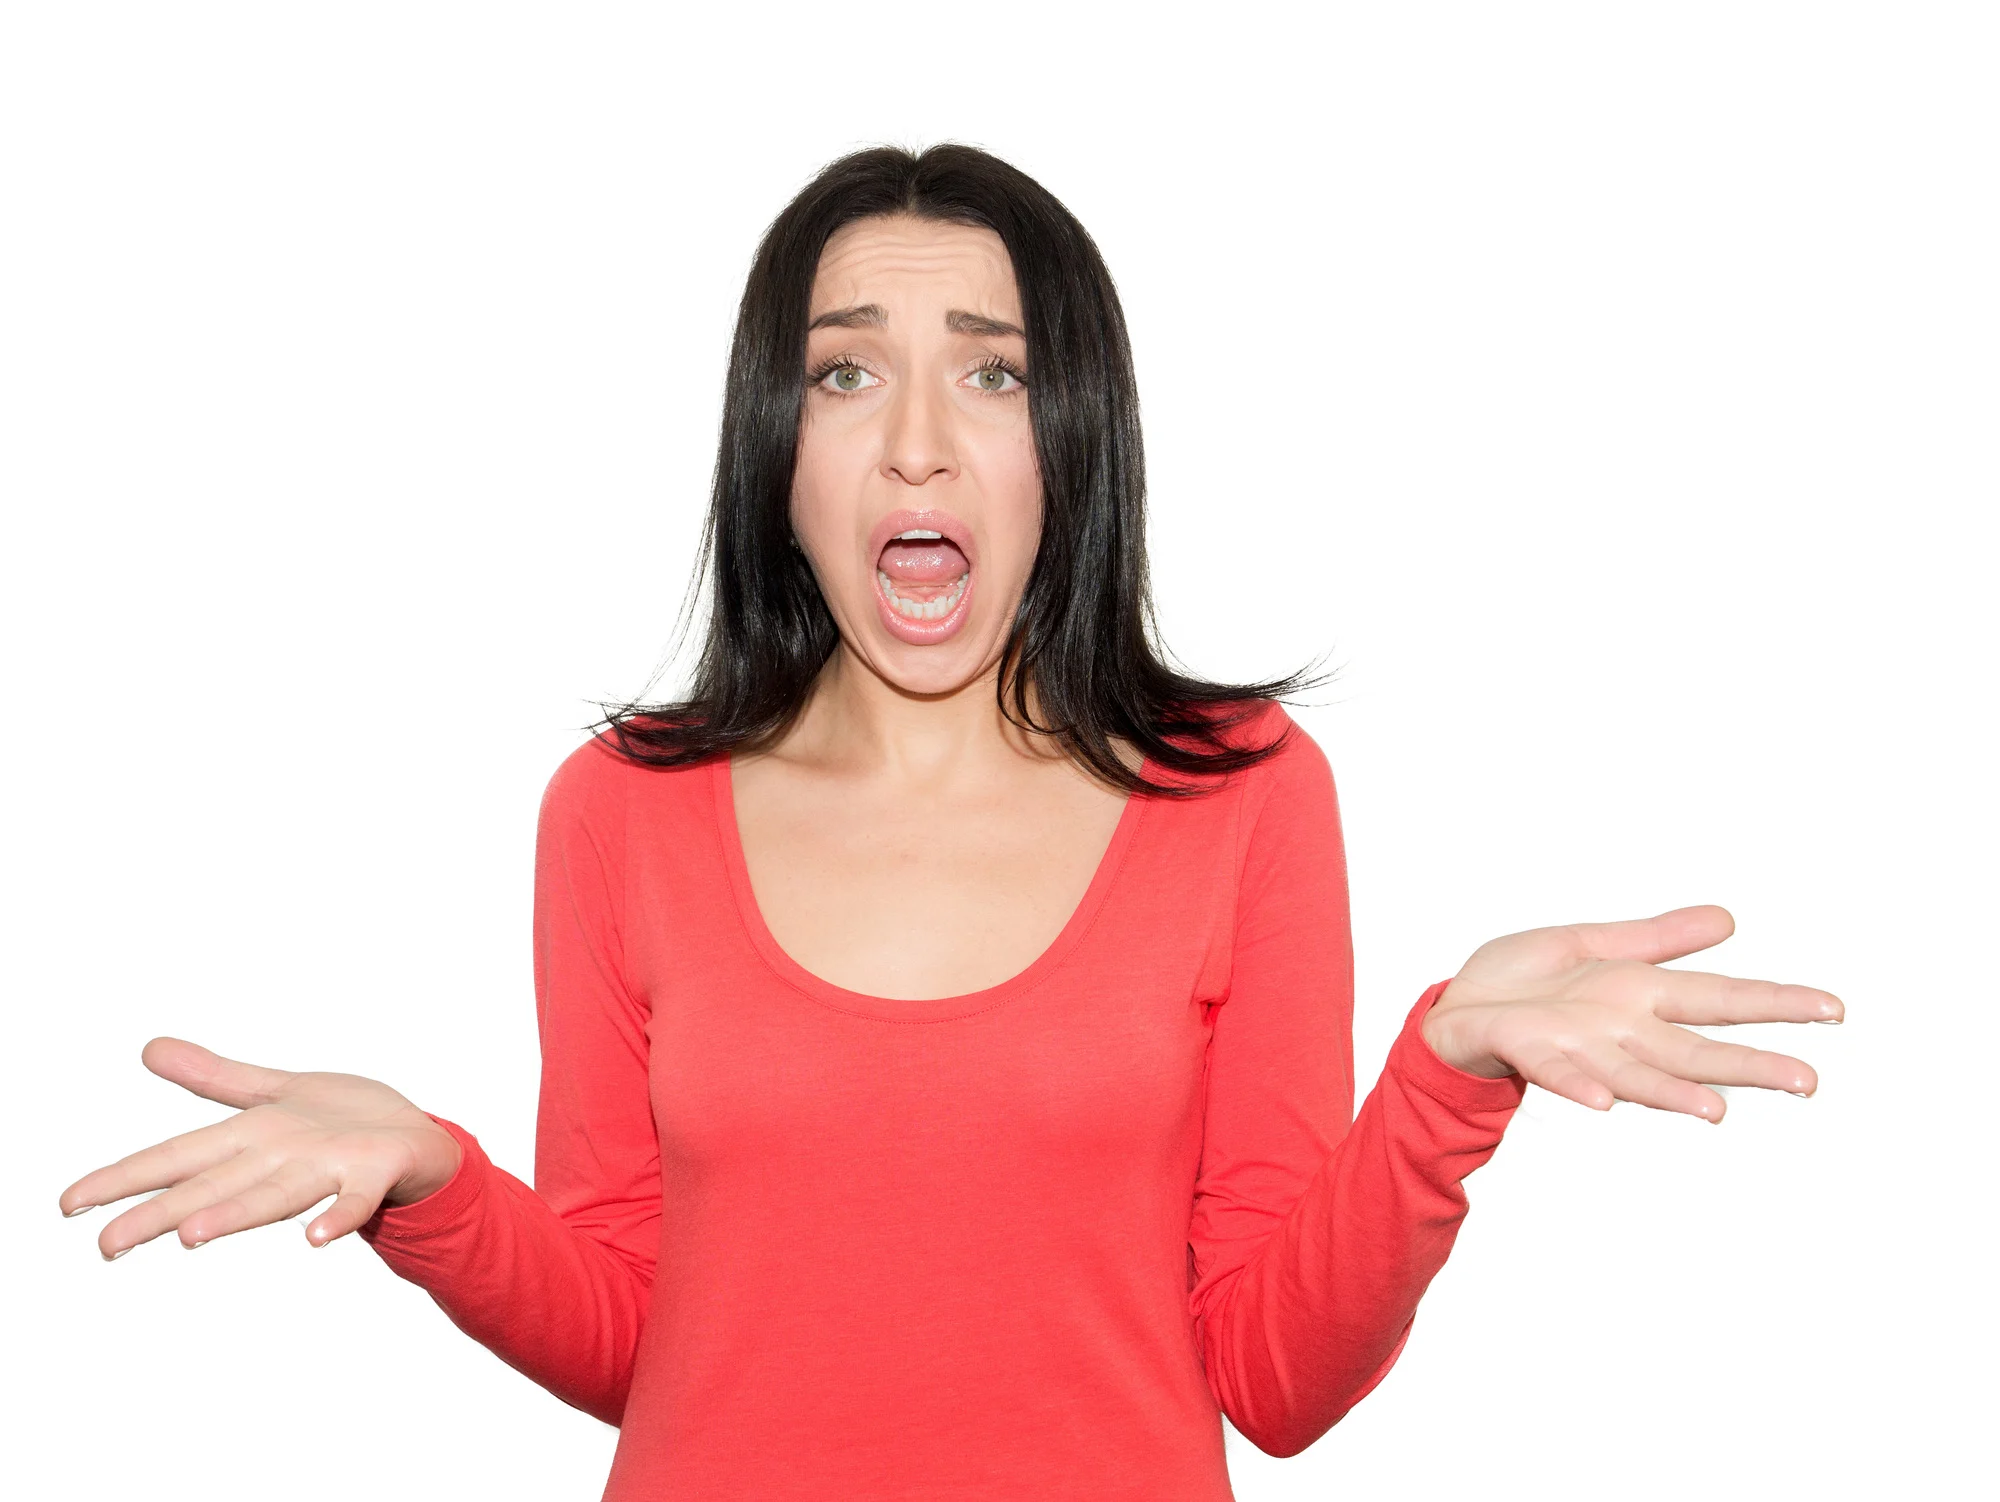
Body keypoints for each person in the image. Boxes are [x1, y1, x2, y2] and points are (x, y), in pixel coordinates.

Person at [58, 144, 1842, 1499]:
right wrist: (432, 1177)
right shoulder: (621, 812)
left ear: (1071, 435)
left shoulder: (1240, 795)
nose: (917, 439)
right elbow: (633, 1339)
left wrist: (1450, 1071)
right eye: (846, 371)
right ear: (781, 444)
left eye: (990, 370)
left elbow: (1276, 1377)